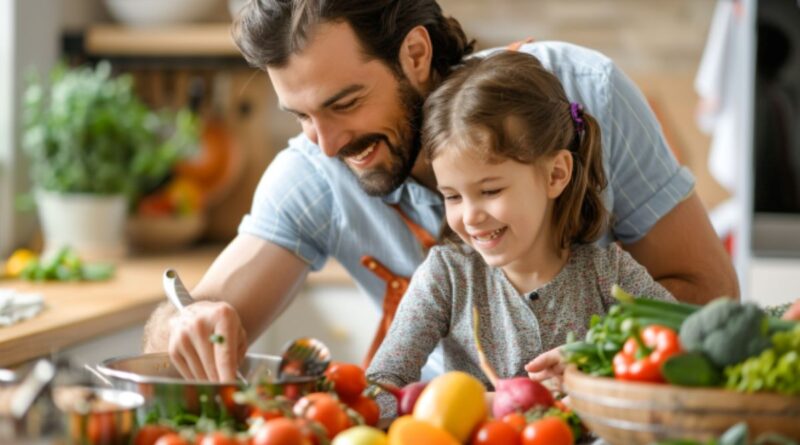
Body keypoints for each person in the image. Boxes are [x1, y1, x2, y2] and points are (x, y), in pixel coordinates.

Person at [142, 0, 738, 382]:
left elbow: (707, 299)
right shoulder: (314, 171)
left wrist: (590, 360)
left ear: (417, 53)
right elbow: (177, 334)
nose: (324, 144)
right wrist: (184, 328)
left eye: (344, 103)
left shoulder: (583, 90)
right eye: (299, 116)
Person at [365, 51, 676, 404]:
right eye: (452, 197)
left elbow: (683, 344)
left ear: (556, 174)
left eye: (490, 191)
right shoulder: (447, 276)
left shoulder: (608, 274)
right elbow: (381, 384)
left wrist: (595, 360)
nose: (469, 217)